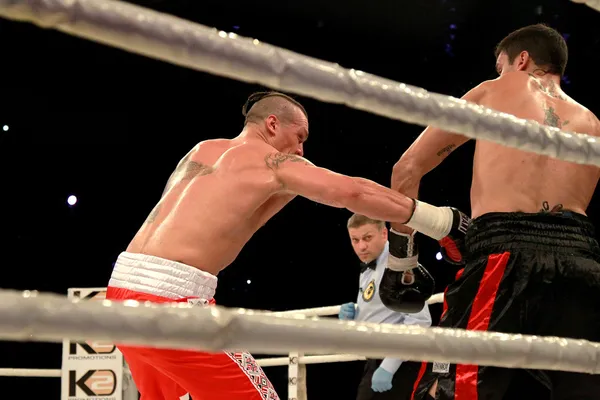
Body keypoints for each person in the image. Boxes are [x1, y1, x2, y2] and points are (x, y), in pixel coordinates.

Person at [104, 91, 466, 400]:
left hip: (120, 293)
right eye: (300, 135)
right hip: (172, 305)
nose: (302, 148)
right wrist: (438, 222)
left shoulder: (202, 150)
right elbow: (354, 192)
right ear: (273, 125)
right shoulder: (273, 162)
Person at [380, 23, 600, 400]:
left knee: (448, 390)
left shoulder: (495, 89)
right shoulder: (593, 123)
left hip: (504, 256)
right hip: (582, 263)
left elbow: (407, 169)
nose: (499, 73)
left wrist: (401, 261)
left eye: (501, 66)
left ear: (522, 60)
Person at [339, 214, 432, 400]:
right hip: (376, 361)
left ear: (384, 234)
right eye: (355, 240)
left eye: (367, 238)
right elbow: (381, 314)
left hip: (400, 363)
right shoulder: (369, 267)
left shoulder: (399, 265)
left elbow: (419, 322)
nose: (361, 246)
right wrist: (354, 318)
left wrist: (388, 367)